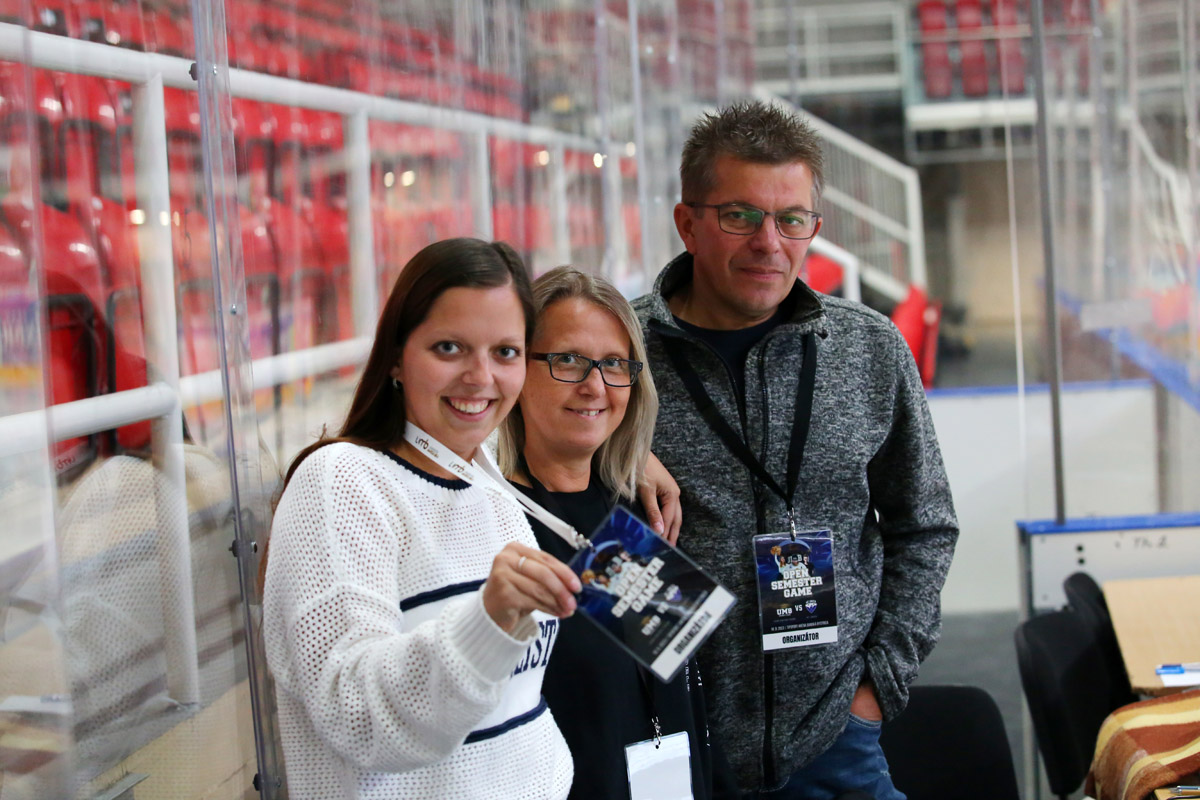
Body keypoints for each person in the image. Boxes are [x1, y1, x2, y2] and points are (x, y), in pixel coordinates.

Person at [631, 101, 959, 799]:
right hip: (676, 744)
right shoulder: (619, 357)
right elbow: (532, 480)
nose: (768, 243)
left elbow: (924, 525)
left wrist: (876, 687)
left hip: (836, 740)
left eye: (791, 219)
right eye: (740, 216)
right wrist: (621, 451)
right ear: (687, 223)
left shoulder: (868, 348)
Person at [262, 238, 580, 799]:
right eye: (449, 348)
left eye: (505, 352)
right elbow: (356, 715)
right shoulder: (341, 481)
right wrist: (486, 621)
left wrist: (638, 458)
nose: (481, 377)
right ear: (395, 358)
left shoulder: (487, 483)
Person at [498, 266, 738, 800]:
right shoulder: (498, 527)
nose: (595, 386)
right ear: (516, 368)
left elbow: (685, 689)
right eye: (567, 360)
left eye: (613, 364)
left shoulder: (633, 514)